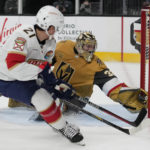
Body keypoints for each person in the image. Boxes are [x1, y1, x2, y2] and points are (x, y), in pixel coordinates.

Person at [0, 5, 83, 143]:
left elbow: (44, 67)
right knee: (44, 95)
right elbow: (14, 66)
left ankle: (61, 127)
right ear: (50, 27)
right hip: (4, 76)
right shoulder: (22, 36)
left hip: (18, 78)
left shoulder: (51, 43)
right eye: (56, 28)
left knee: (45, 98)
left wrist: (54, 84)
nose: (55, 31)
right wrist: (42, 73)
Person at [52, 32, 148, 113]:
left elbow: (112, 86)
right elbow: (46, 61)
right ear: (79, 44)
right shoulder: (63, 46)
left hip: (77, 97)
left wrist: (129, 97)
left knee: (59, 111)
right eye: (88, 46)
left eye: (93, 47)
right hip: (54, 87)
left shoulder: (96, 65)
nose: (91, 50)